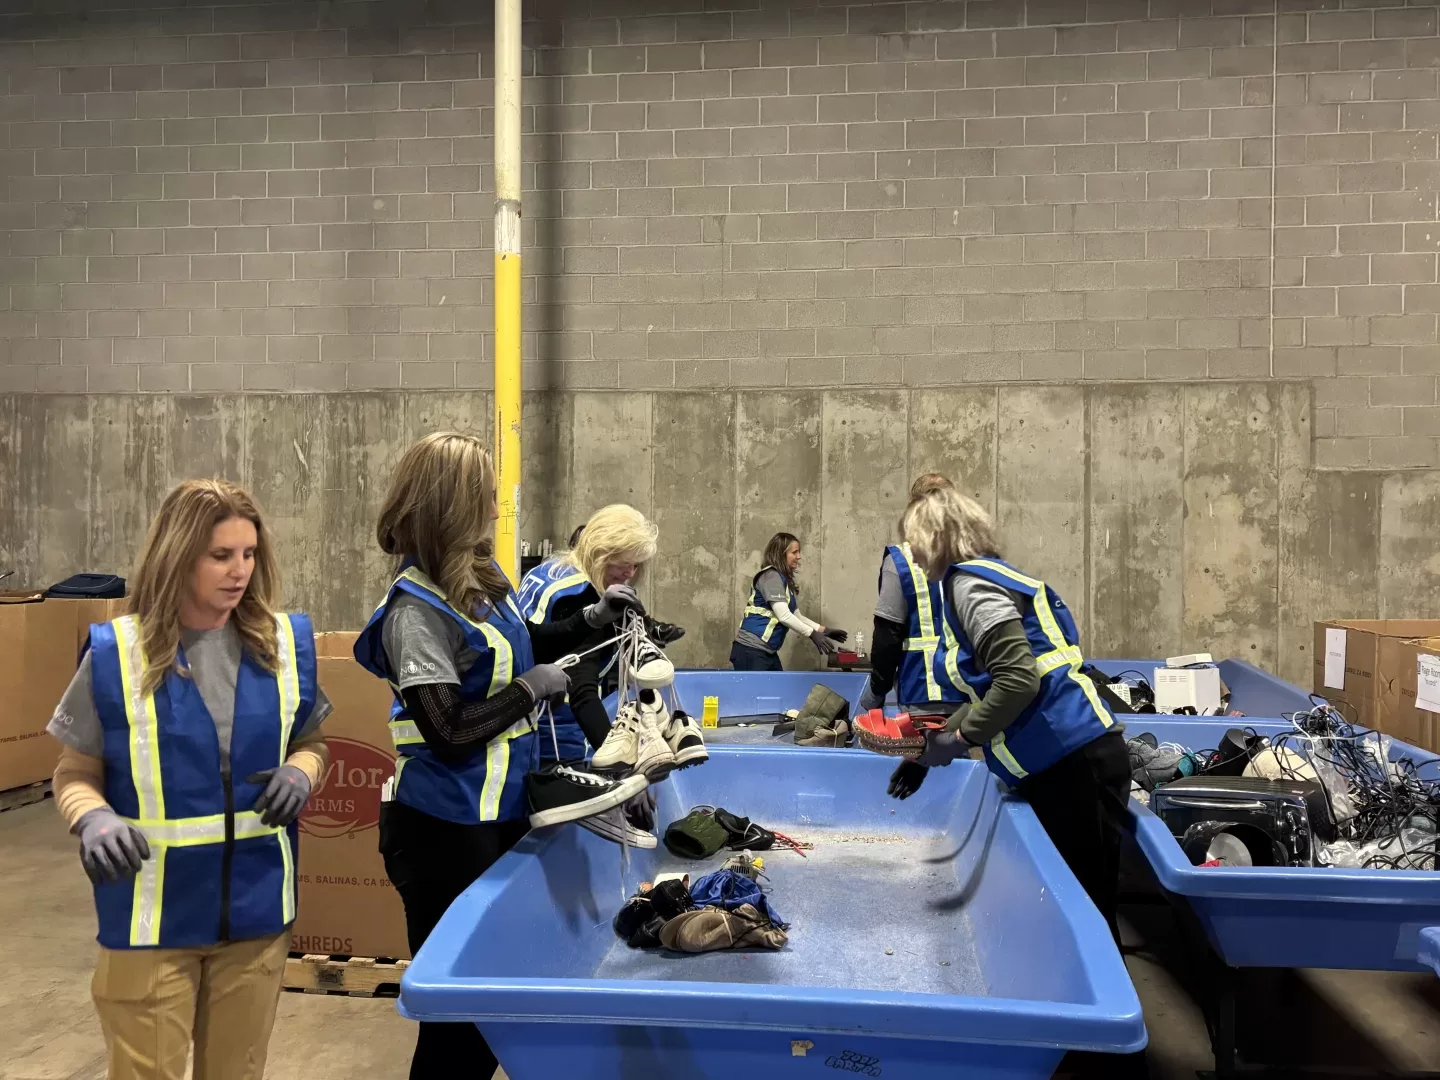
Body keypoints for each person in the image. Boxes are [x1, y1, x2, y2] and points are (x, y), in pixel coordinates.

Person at [352, 433, 640, 1080]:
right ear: (450, 504)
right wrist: (528, 691)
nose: (493, 506)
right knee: (462, 1025)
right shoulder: (414, 612)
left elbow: (525, 641)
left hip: (494, 821)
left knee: (491, 1015)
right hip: (441, 832)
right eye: (483, 494)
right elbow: (448, 729)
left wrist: (591, 620)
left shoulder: (481, 579)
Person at [47, 478, 331, 1080]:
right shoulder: (117, 655)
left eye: (248, 553)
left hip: (256, 914)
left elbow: (311, 743)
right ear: (178, 556)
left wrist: (302, 772)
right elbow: (74, 772)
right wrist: (91, 817)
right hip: (152, 919)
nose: (240, 571)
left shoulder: (281, 647)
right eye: (221, 555)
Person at [887, 487, 1130, 941]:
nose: (911, 555)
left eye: (912, 541)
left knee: (1087, 918)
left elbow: (1018, 681)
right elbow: (991, 689)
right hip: (1076, 755)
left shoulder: (970, 587)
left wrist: (959, 740)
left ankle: (1101, 988)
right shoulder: (988, 578)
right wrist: (927, 753)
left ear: (934, 538)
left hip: (1072, 763)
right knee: (1083, 907)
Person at [516, 504, 656, 763]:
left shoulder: (550, 571)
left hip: (525, 727)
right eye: (624, 563)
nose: (629, 573)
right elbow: (582, 691)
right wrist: (620, 762)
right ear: (602, 553)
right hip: (555, 738)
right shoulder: (579, 596)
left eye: (636, 565)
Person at [858, 473, 966, 716]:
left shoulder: (901, 561)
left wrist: (875, 693)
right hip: (972, 699)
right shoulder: (973, 557)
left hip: (922, 695)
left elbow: (887, 638)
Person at [731, 532, 845, 671]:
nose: (799, 556)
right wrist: (811, 634)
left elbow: (796, 616)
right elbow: (784, 616)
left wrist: (824, 630)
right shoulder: (771, 577)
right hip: (751, 650)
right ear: (780, 554)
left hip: (765, 651)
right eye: (794, 552)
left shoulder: (781, 580)